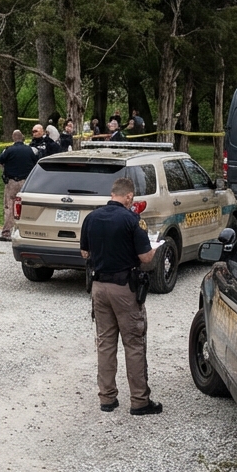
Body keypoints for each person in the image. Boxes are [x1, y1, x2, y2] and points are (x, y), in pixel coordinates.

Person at [80, 176, 161, 416]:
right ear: (127, 196)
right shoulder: (132, 220)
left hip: (98, 287)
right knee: (133, 343)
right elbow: (145, 258)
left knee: (105, 343)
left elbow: (85, 253)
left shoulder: (91, 218)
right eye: (132, 198)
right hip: (124, 288)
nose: (131, 201)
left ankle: (107, 398)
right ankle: (139, 401)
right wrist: (153, 249)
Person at [0, 129, 38, 242]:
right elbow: (36, 163)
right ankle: (25, 231)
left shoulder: (9, 150)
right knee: (25, 206)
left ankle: (6, 232)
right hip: (25, 183)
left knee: (9, 206)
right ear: (22, 137)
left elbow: (0, 160)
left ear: (13, 138)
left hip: (12, 182)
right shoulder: (29, 150)